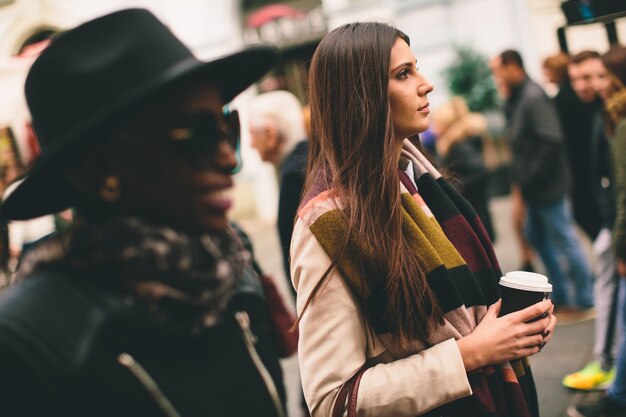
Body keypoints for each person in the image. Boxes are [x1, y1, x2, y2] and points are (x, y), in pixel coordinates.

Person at [0, 9, 286, 417]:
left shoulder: (231, 274)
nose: (228, 159)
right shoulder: (34, 340)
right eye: (200, 135)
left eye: (227, 129)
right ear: (100, 169)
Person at [291, 22, 556, 417]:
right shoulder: (330, 222)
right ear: (361, 96)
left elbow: (465, 312)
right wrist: (473, 353)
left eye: (417, 67)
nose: (426, 84)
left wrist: (513, 329)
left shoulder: (421, 185)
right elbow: (333, 400)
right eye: (403, 74)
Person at [490, 49, 594, 311]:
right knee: (535, 235)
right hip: (534, 188)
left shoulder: (533, 97)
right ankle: (562, 293)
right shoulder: (518, 97)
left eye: (498, 71)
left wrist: (530, 176)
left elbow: (552, 140)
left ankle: (584, 297)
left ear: (513, 67)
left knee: (564, 239)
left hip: (548, 186)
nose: (496, 77)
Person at [568, 44, 626, 417]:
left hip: (616, 228)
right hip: (608, 222)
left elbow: (622, 192)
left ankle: (616, 391)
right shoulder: (607, 119)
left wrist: (620, 245)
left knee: (619, 307)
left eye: (602, 76)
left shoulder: (618, 123)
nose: (594, 85)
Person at [249, 90, 308, 289]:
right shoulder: (309, 159)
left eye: (252, 134)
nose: (250, 144)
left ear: (271, 134)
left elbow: (295, 252)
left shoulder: (294, 175)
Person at [432, 96, 496, 242]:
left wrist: (452, 187)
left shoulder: (458, 147)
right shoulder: (453, 145)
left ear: (445, 124)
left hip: (473, 211)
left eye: (436, 123)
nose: (433, 127)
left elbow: (480, 173)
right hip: (473, 209)